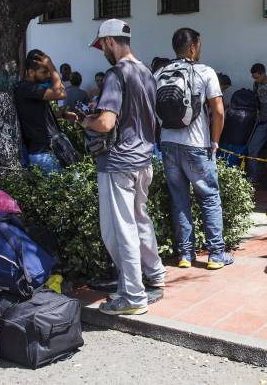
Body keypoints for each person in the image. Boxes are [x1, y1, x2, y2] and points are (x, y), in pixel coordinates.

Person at [81, 18, 166, 315]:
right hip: (144, 158)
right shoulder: (146, 72)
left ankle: (132, 296)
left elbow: (106, 122)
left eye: (102, 45)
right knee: (140, 220)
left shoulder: (116, 74)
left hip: (118, 162)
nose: (102, 51)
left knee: (119, 230)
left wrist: (85, 120)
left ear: (109, 43)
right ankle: (155, 276)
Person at [158, 28, 233, 270]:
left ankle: (185, 255)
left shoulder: (159, 73)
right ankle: (215, 254)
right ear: (194, 47)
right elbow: (218, 111)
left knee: (179, 200)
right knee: (209, 197)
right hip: (197, 145)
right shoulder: (205, 71)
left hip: (168, 143)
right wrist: (215, 140)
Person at [14, 50, 67, 175]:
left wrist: (62, 115)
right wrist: (51, 66)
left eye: (48, 72)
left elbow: (37, 113)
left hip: (49, 151)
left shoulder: (35, 88)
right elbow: (62, 94)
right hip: (43, 153)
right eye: (44, 72)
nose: (48, 75)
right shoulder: (26, 88)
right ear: (31, 72)